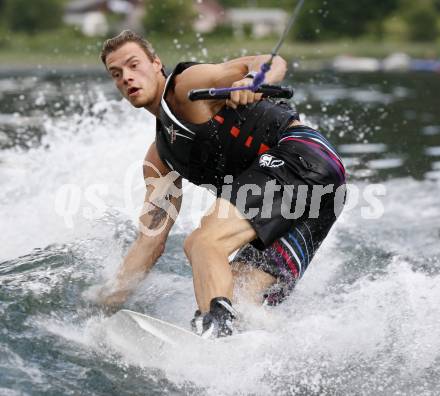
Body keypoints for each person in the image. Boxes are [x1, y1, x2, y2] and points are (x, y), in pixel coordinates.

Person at [98, 30, 346, 338]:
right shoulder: (161, 159)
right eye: (116, 74)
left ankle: (216, 339)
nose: (126, 78)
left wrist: (252, 81)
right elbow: (149, 243)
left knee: (204, 242)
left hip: (304, 156)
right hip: (320, 201)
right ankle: (253, 356)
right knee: (237, 298)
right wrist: (107, 300)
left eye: (134, 65)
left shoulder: (188, 84)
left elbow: (270, 61)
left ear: (156, 63)